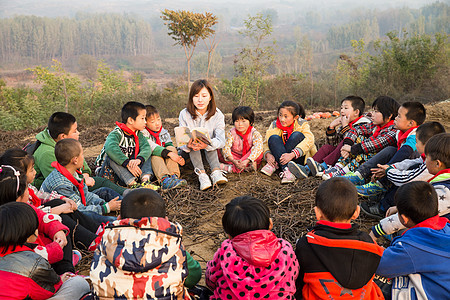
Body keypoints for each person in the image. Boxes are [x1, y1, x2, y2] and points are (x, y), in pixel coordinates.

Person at [90, 188, 201, 299]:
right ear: (166, 220)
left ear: (119, 218)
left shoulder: (105, 244)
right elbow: (194, 276)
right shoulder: (173, 245)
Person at [295, 177, 384, 300]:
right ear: (356, 212)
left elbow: (297, 283)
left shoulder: (306, 244)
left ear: (317, 213)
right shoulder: (370, 245)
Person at [0, 148, 101, 251]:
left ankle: (97, 230)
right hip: (35, 231)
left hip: (42, 219)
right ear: (20, 174)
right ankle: (90, 241)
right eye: (31, 170)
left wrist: (63, 198)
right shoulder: (16, 197)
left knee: (59, 202)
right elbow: (35, 215)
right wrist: (59, 209)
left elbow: (42, 195)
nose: (35, 172)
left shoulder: (28, 187)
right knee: (61, 217)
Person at [206, 196, 298, 299]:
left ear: (229, 235)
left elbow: (210, 281)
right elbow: (294, 276)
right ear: (270, 224)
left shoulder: (225, 253)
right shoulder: (285, 251)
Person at [0, 202, 90, 300]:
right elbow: (49, 290)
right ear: (29, 236)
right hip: (44, 286)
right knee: (79, 283)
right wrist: (60, 280)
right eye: (36, 227)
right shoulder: (34, 262)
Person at [376, 181, 450, 299]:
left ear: (404, 219)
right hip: (441, 287)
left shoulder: (411, 246)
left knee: (372, 278)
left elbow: (379, 266)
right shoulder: (446, 228)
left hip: (430, 294)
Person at [370, 132, 450, 239]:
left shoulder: (445, 192)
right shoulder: (443, 179)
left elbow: (416, 213)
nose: (424, 161)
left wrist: (378, 230)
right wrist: (399, 208)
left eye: (426, 157)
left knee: (406, 230)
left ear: (437, 163)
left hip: (441, 239)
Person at [0, 165, 75, 275]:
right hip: (34, 264)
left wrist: (57, 230)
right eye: (27, 188)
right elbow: (28, 255)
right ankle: (66, 272)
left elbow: (42, 216)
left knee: (62, 230)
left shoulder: (26, 207)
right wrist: (55, 249)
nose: (29, 191)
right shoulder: (10, 226)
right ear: (18, 197)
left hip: (44, 249)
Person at [360, 122, 445, 218]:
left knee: (407, 179)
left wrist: (388, 172)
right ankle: (385, 198)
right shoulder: (430, 158)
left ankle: (384, 207)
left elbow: (406, 179)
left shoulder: (430, 167)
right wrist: (392, 167)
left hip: (421, 203)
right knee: (410, 167)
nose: (415, 145)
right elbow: (409, 162)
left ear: (427, 145)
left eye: (417, 142)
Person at [32, 111, 126, 195]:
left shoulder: (69, 146)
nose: (79, 133)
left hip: (77, 181)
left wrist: (85, 175)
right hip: (58, 193)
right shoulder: (46, 153)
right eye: (75, 131)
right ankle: (129, 195)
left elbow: (85, 167)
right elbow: (60, 181)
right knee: (102, 186)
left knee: (101, 184)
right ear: (63, 136)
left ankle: (128, 194)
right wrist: (83, 180)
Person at [343, 101, 426, 196]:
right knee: (390, 150)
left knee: (393, 152)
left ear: (411, 123)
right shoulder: (400, 132)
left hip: (410, 168)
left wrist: (386, 168)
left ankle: (380, 185)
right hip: (399, 165)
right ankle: (360, 175)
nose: (396, 118)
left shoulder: (415, 135)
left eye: (399, 116)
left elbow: (405, 153)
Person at [42, 138, 121, 224]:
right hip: (70, 215)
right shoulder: (61, 184)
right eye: (82, 154)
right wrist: (106, 208)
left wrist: (104, 203)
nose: (83, 157)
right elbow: (79, 210)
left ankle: (128, 206)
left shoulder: (72, 171)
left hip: (79, 202)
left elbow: (86, 195)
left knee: (105, 191)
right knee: (91, 216)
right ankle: (119, 222)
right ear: (75, 160)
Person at [288, 95, 370, 179]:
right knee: (326, 148)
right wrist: (331, 127)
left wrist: (345, 126)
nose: (342, 111)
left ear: (356, 112)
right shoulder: (346, 123)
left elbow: (350, 143)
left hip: (352, 156)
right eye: (341, 108)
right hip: (339, 154)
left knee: (343, 144)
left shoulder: (363, 125)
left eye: (346, 108)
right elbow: (334, 143)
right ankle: (306, 169)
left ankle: (323, 166)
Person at [323, 96, 399, 180]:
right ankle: (338, 167)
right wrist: (347, 144)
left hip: (375, 163)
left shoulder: (393, 130)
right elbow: (356, 130)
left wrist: (351, 148)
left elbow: (376, 144)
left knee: (366, 149)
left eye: (376, 111)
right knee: (358, 138)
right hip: (353, 153)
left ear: (389, 115)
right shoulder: (374, 126)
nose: (372, 114)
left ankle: (345, 171)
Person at [179, 79, 228, 190]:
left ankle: (216, 172)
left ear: (210, 97)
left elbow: (221, 140)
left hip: (210, 153)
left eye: (204, 96)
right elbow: (181, 140)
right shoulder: (184, 114)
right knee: (194, 144)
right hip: (190, 153)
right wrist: (188, 145)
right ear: (192, 98)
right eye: (196, 96)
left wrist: (208, 144)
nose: (200, 100)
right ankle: (202, 175)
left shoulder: (217, 115)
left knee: (210, 142)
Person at [96, 101, 158, 189]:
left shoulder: (138, 134)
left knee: (146, 153)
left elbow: (146, 148)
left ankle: (145, 181)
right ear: (130, 120)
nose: (145, 122)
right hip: (110, 172)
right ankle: (132, 184)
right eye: (142, 118)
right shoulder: (117, 133)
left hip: (127, 170)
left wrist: (139, 160)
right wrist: (127, 163)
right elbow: (110, 149)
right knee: (111, 156)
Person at [260, 100, 316, 183]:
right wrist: (268, 154)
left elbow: (310, 140)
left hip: (296, 158)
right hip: (280, 157)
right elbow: (266, 142)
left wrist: (292, 154)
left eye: (286, 116)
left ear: (295, 117)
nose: (282, 119)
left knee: (297, 135)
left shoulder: (302, 124)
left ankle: (282, 167)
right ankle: (287, 170)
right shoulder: (274, 124)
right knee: (273, 138)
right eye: (280, 115)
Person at [142, 104, 187, 190]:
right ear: (145, 123)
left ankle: (174, 176)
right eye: (152, 122)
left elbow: (169, 145)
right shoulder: (143, 133)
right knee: (155, 154)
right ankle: (164, 180)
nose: (157, 123)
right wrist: (169, 154)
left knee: (172, 149)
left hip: (165, 158)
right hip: (154, 163)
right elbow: (151, 146)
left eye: (159, 119)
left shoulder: (163, 132)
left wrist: (178, 158)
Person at [219, 106, 264, 173]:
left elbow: (258, 147)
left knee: (258, 152)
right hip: (235, 157)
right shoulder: (231, 133)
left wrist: (247, 160)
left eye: (243, 121)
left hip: (248, 157)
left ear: (250, 122)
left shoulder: (255, 133)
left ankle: (231, 169)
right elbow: (226, 147)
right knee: (220, 150)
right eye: (237, 121)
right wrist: (233, 161)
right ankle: (245, 167)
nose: (240, 124)